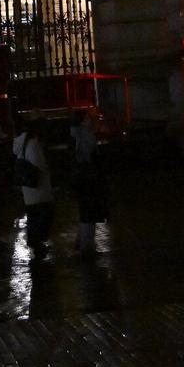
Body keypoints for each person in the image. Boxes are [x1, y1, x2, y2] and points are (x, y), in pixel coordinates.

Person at [12, 122, 54, 261]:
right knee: (42, 215)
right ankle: (37, 243)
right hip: (38, 187)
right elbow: (38, 164)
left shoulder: (21, 143)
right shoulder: (33, 144)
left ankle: (35, 243)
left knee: (33, 216)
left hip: (29, 188)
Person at [69, 108, 108, 256]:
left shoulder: (73, 134)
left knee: (84, 210)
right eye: (87, 118)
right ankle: (87, 247)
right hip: (88, 177)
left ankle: (82, 242)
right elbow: (90, 155)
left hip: (79, 177)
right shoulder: (85, 134)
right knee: (90, 212)